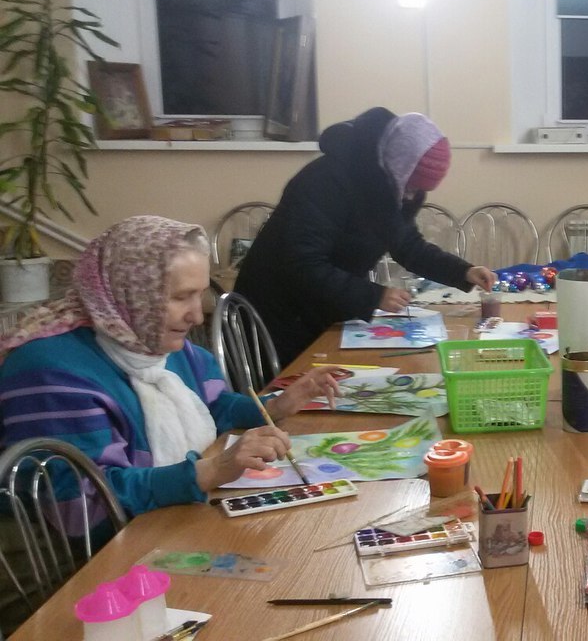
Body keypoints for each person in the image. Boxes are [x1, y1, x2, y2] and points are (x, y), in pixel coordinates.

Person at [0, 216, 339, 633]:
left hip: (152, 528)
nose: (197, 315)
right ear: (131, 292)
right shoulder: (50, 372)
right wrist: (209, 471)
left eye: (199, 294)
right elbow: (81, 507)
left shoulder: (150, 338)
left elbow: (211, 407)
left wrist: (277, 405)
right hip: (69, 569)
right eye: (181, 297)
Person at [234, 108, 498, 365]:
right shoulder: (326, 180)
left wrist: (464, 271)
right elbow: (302, 263)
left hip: (318, 308)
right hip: (276, 315)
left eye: (419, 190)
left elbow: (407, 244)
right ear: (399, 166)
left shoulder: (386, 182)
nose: (411, 195)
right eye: (412, 185)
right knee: (299, 391)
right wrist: (372, 297)